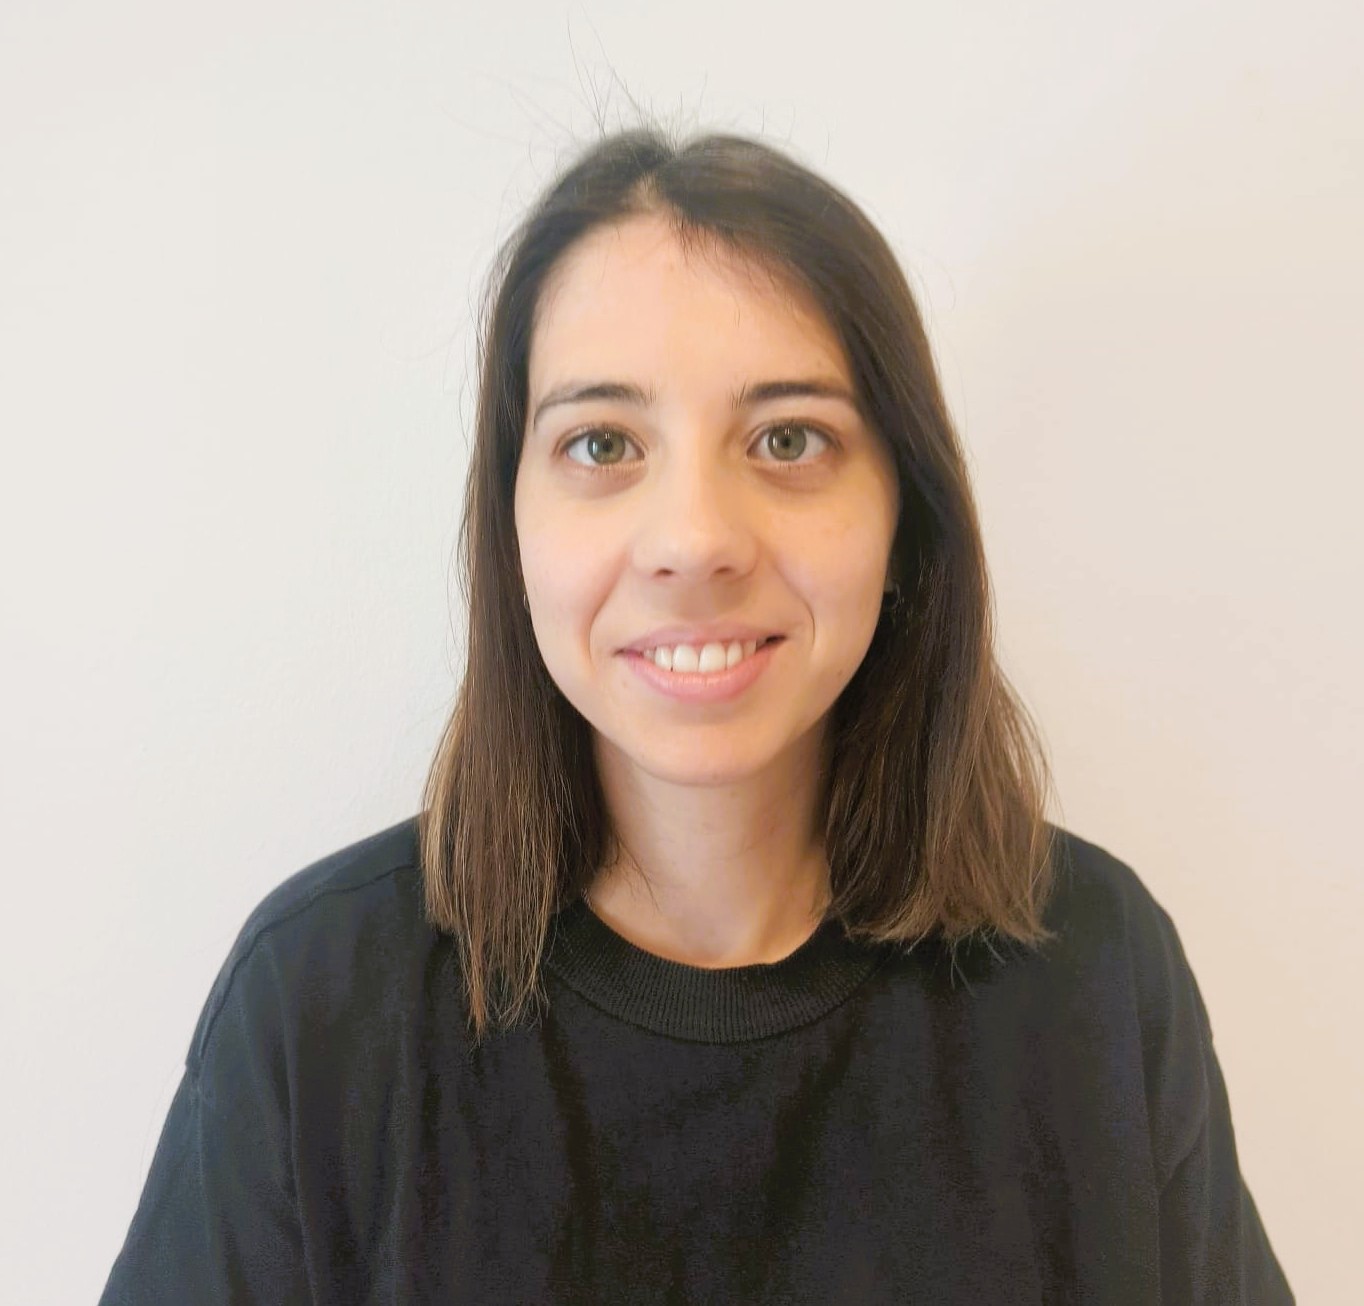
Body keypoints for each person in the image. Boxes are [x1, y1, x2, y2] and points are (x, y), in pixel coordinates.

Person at [99, 124, 1295, 1304]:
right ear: (511, 527)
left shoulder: (1094, 973)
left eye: (787, 438)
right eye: (601, 443)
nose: (693, 539)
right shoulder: (315, 1009)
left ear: (905, 520)